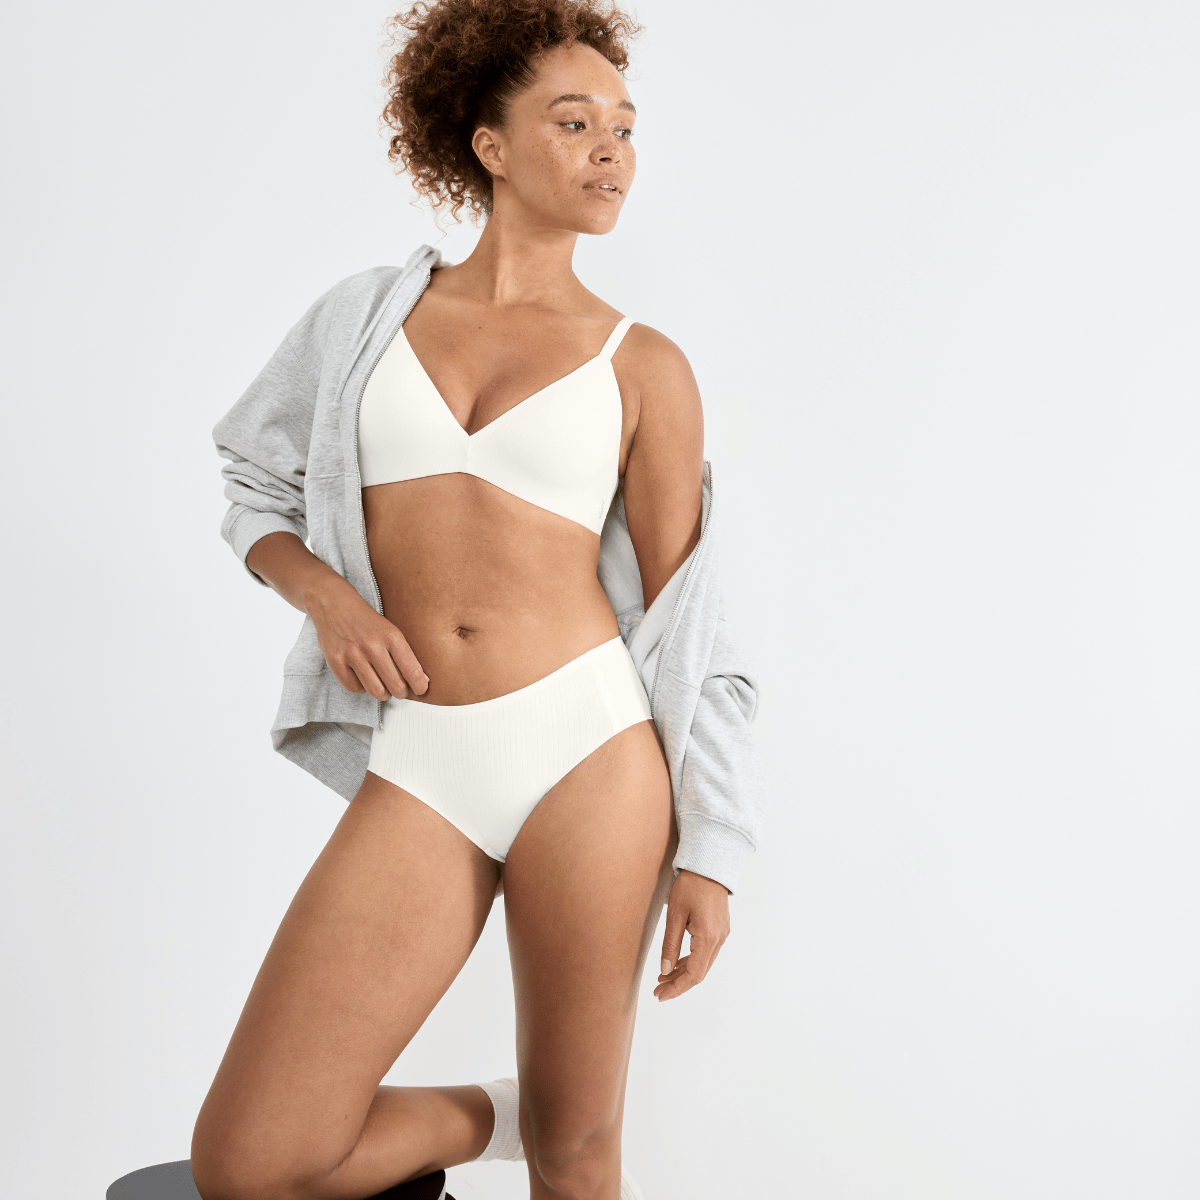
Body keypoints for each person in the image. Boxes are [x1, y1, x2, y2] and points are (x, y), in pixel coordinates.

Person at [191, 1, 768, 1197]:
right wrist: (327, 601)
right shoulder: (366, 317)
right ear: (490, 145)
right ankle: (498, 1115)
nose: (611, 151)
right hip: (424, 758)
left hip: (590, 751)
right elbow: (255, 481)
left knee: (580, 1157)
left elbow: (693, 626)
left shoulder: (644, 365)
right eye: (575, 122)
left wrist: (712, 849)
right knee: (252, 1163)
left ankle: (553, 1124)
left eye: (624, 127)